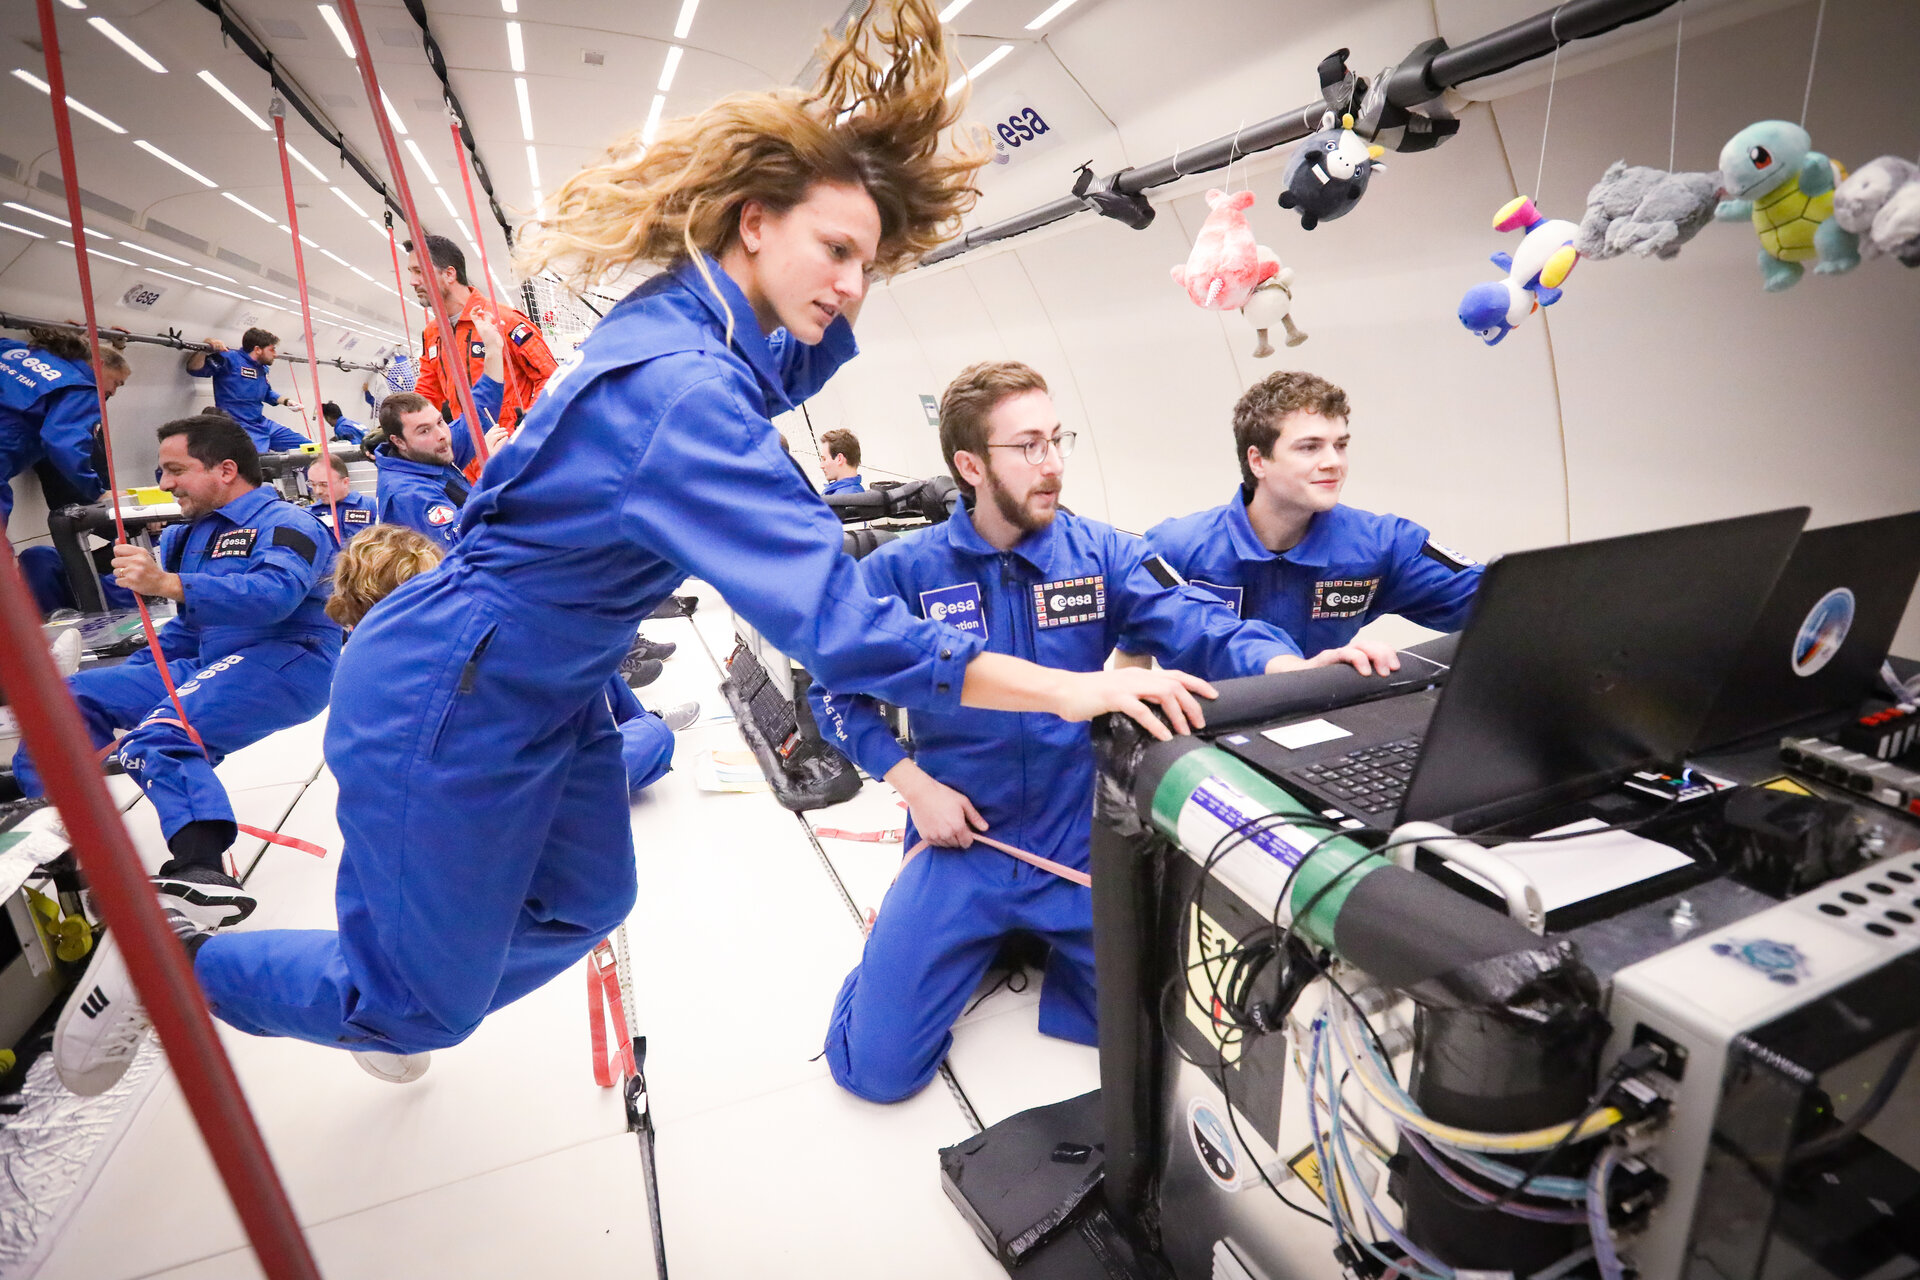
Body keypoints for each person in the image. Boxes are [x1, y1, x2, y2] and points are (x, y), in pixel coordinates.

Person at [53, 0, 1212, 1094]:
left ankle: (385, 982)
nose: (855, 287)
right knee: (421, 1006)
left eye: (871, 264)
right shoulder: (680, 391)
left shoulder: (690, 322)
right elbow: (850, 632)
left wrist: (858, 208)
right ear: (753, 224)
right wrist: (1074, 689)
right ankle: (185, 967)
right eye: (839, 253)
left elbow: (787, 354)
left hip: (542, 687)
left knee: (587, 897)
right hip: (454, 686)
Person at [808, 361, 1373, 1104]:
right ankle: (903, 947)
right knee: (875, 1073)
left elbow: (1202, 623)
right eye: (1029, 447)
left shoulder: (1104, 555)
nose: (1054, 465)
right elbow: (832, 690)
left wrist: (1288, 666)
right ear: (970, 465)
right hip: (964, 837)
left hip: (1078, 839)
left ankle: (1023, 945)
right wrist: (912, 786)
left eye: (1058, 440)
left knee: (1171, 1043)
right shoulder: (901, 572)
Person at [29, 415, 340, 1093]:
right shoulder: (182, 534)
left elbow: (275, 596)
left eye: (174, 470)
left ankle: (203, 871)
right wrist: (133, 667)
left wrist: (167, 585)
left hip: (283, 656)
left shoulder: (288, 524)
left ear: (224, 469)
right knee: (65, 703)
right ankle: (53, 840)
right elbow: (185, 633)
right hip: (203, 655)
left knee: (159, 737)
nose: (164, 482)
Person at [1143, 371, 1484, 665]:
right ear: (1258, 461)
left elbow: (1495, 605)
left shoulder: (1382, 545)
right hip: (1210, 726)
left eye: (1340, 445)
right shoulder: (1175, 548)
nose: (1334, 462)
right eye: (1310, 447)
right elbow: (1136, 644)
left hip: (1320, 724)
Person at [324, 523, 695, 787]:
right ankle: (646, 723)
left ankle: (635, 720)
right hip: (481, 807)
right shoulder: (442, 663)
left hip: (415, 799)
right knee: (653, 737)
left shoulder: (359, 662)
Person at [404, 233, 557, 449]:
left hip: (513, 450)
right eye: (411, 272)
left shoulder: (504, 320)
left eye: (419, 272)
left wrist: (531, 423)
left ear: (449, 274)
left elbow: (550, 377)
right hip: (468, 456)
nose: (413, 282)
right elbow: (427, 395)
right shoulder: (433, 334)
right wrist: (395, 429)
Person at [371, 315, 507, 548]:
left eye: (440, 422)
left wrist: (493, 350)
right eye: (424, 430)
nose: (442, 434)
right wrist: (489, 475)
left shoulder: (429, 451)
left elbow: (477, 412)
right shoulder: (406, 493)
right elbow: (456, 543)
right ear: (399, 441)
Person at [0, 329, 128, 523]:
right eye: (117, 383)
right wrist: (97, 493)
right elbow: (64, 443)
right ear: (99, 364)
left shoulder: (14, 348)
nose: (114, 392)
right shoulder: (80, 388)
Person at [184, 329, 310, 455]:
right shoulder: (229, 358)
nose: (275, 354)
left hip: (261, 423)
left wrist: (287, 402)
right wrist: (205, 348)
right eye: (272, 349)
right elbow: (194, 369)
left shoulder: (262, 367)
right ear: (257, 349)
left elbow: (267, 393)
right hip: (239, 426)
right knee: (258, 461)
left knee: (310, 449)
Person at [306, 453, 377, 546]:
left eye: (324, 484)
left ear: (345, 482)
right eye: (313, 484)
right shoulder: (309, 515)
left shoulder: (371, 507)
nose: (318, 491)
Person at [820, 427, 865, 494]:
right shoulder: (855, 493)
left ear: (839, 459)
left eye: (824, 459)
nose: (821, 465)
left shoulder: (845, 497)